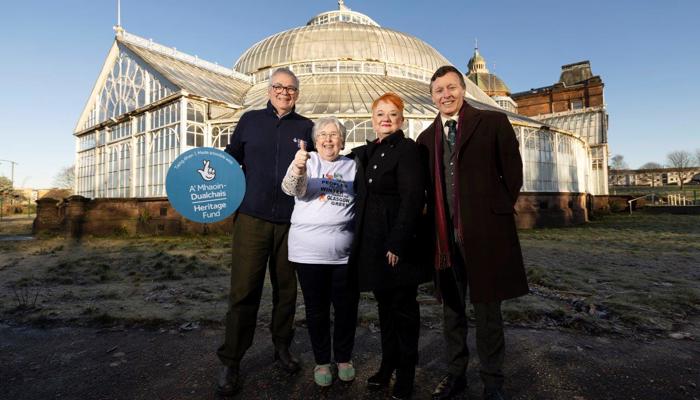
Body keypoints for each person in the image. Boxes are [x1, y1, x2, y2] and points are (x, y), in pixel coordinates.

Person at [416, 66, 529, 400]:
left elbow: (512, 172)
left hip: (484, 234)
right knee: (451, 311)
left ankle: (493, 381)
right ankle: (456, 375)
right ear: (432, 96)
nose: (446, 95)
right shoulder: (426, 139)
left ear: (463, 90)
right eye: (439, 90)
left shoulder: (492, 122)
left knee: (487, 311)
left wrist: (495, 211)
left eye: (451, 87)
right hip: (444, 239)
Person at [216, 68, 314, 396]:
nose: (284, 92)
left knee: (286, 290)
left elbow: (318, 169)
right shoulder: (250, 120)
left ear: (297, 93)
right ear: (269, 90)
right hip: (251, 218)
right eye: (279, 87)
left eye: (291, 88)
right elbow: (231, 160)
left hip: (292, 221)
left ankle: (281, 346)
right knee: (244, 291)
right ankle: (231, 360)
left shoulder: (307, 127)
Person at [348, 92, 429, 400]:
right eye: (380, 114)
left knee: (404, 310)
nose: (386, 119)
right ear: (373, 119)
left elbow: (412, 197)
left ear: (401, 120)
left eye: (393, 114)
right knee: (385, 308)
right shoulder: (370, 151)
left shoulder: (407, 149)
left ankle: (406, 375)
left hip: (397, 242)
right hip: (374, 242)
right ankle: (387, 365)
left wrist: (398, 242)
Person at [281, 116, 359, 387]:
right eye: (323, 134)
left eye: (334, 134)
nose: (328, 139)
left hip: (344, 253)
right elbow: (292, 189)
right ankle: (322, 361)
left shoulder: (352, 166)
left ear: (342, 141)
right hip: (308, 252)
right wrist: (298, 167)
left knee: (346, 309)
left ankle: (344, 358)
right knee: (317, 310)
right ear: (315, 141)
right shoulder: (307, 161)